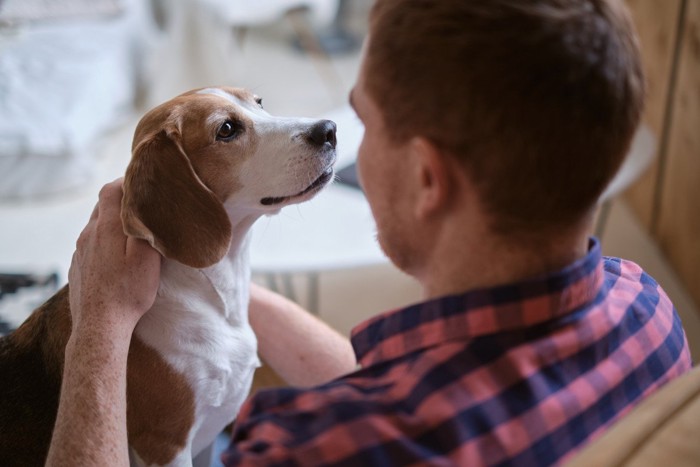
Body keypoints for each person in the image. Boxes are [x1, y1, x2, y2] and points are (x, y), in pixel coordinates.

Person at [47, 0, 692, 465]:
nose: (339, 139)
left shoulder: (310, 446)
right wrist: (209, 279)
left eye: (365, 122)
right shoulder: (651, 314)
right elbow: (414, 388)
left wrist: (100, 325)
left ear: (427, 177)